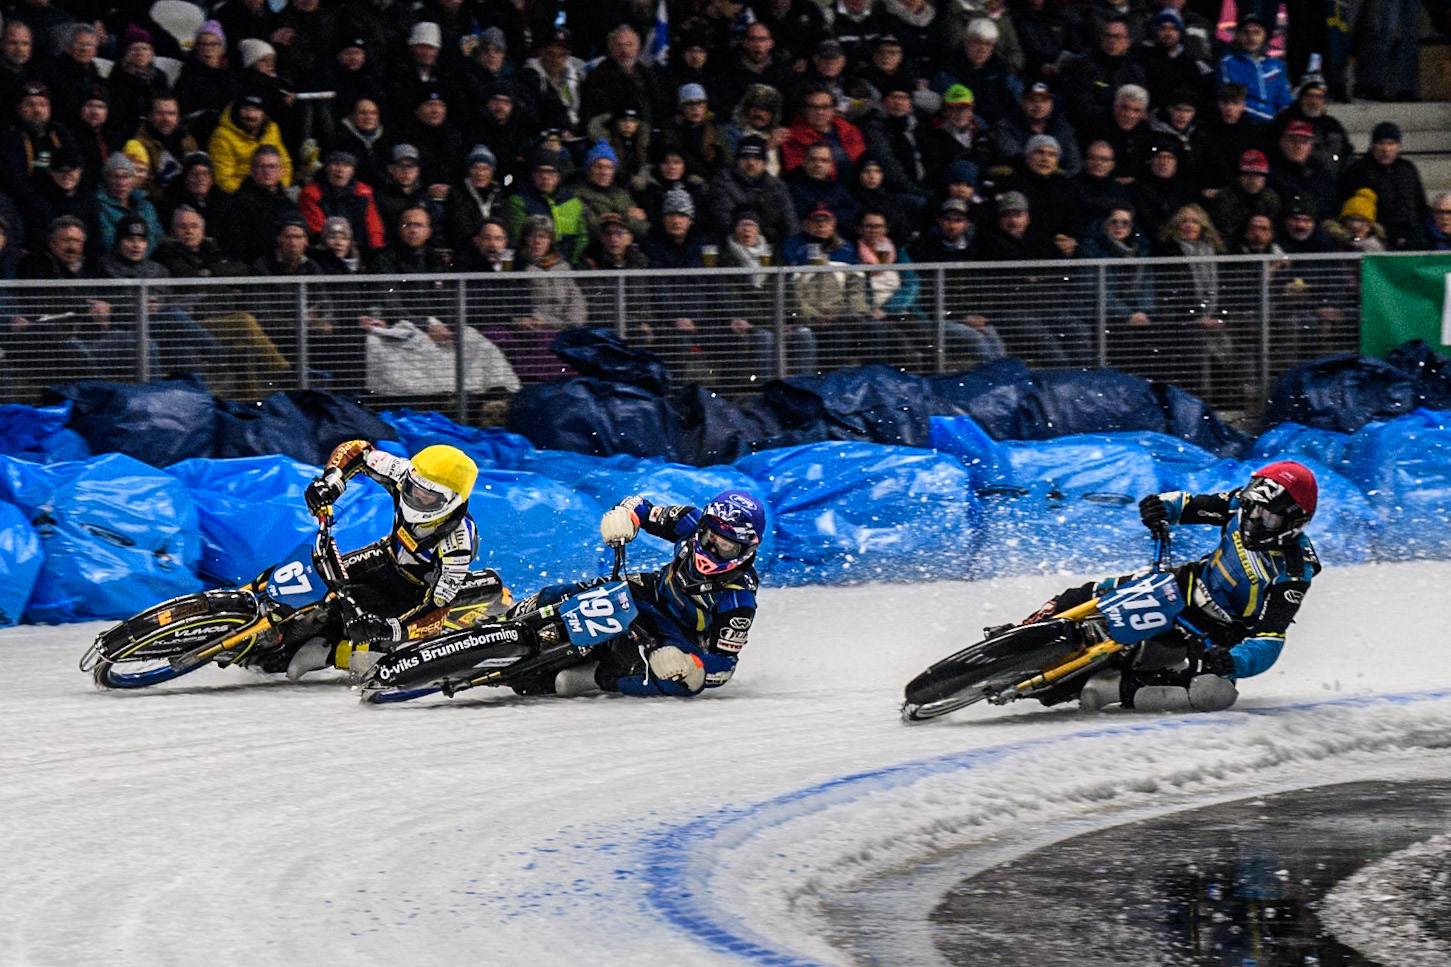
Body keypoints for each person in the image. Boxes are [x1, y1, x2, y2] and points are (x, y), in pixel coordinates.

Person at [1019, 462, 1321, 714]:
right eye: (1253, 508)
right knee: (1101, 589)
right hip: (1186, 586)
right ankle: (1025, 628)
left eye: (1268, 516)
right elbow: (1190, 505)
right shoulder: (1238, 505)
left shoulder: (1295, 570)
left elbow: (1270, 637)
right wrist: (1159, 507)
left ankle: (1116, 688)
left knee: (1213, 694)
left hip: (1219, 633)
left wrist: (1234, 660)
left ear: (1296, 522)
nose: (1254, 520)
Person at [505, 490, 765, 697]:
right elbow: (641, 505)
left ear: (745, 551)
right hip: (652, 591)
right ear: (703, 526)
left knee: (681, 683)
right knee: (571, 592)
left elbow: (725, 666)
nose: (712, 550)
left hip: (679, 634)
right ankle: (508, 618)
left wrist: (693, 666)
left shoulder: (739, 599)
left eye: (726, 547)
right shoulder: (689, 521)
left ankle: (595, 676)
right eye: (710, 538)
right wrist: (625, 515)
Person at [290, 442, 485, 678]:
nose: (416, 499)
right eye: (414, 490)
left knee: (368, 639)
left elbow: (438, 608)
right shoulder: (403, 472)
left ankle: (330, 653)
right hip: (386, 556)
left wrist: (391, 629)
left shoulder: (458, 544)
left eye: (428, 499)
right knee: (317, 572)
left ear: (451, 501)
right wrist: (330, 481)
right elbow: (357, 450)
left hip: (415, 592)